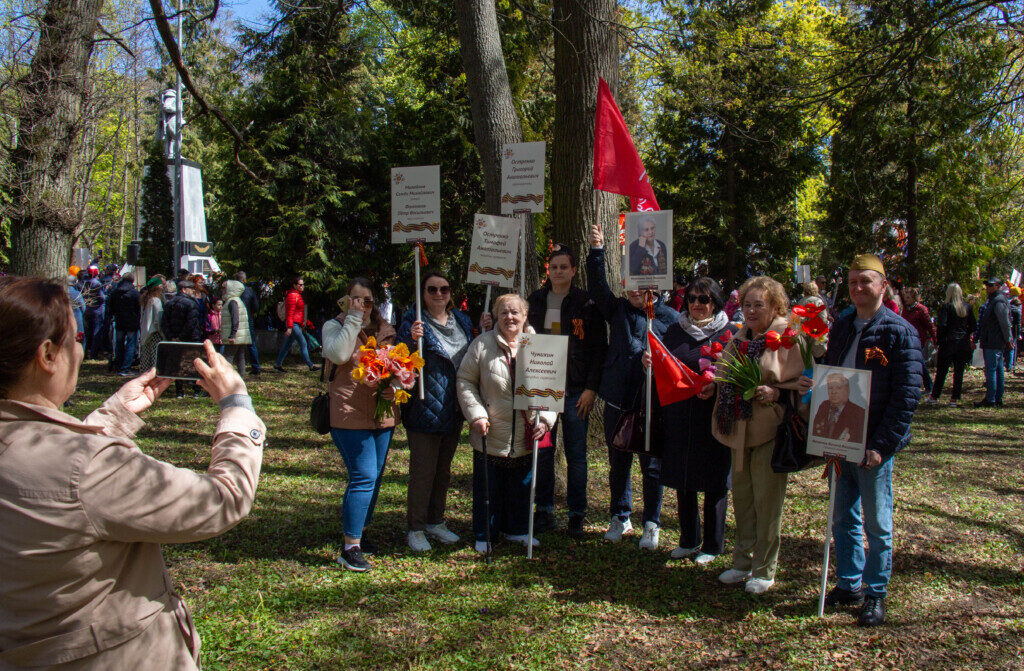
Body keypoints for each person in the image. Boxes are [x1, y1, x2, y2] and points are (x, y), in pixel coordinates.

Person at [0, 276, 264, 669]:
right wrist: (237, 405)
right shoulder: (90, 469)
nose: (81, 349)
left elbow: (53, 478)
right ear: (48, 355)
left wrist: (114, 417)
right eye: (76, 338)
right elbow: (222, 499)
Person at [809, 253, 922, 627]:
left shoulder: (900, 332)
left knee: (877, 524)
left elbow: (906, 397)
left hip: (873, 446)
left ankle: (875, 593)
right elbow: (831, 376)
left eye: (866, 281)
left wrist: (881, 446)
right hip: (840, 440)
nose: (858, 287)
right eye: (853, 281)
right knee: (843, 517)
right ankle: (849, 584)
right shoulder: (842, 325)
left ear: (883, 286)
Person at [710, 276, 804, 594]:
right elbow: (724, 374)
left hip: (770, 431)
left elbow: (805, 383)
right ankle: (742, 562)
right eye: (747, 304)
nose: (750, 310)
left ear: (775, 307)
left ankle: (764, 569)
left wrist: (776, 392)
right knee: (743, 497)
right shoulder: (739, 337)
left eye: (758, 305)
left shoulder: (787, 338)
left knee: (767, 501)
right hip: (738, 429)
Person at [588, 221, 678, 550]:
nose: (635, 291)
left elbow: (680, 361)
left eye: (641, 286)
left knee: (651, 465)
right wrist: (597, 251)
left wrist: (660, 362)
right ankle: (620, 516)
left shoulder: (669, 318)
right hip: (618, 400)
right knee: (619, 463)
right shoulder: (618, 311)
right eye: (630, 285)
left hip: (653, 403)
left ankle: (651, 523)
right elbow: (598, 288)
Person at [645, 277, 737, 565]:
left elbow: (737, 374)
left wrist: (717, 386)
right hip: (680, 416)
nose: (697, 304)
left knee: (714, 481)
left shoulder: (730, 334)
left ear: (716, 303)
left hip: (713, 417)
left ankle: (713, 544)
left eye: (704, 299)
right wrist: (651, 362)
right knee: (683, 476)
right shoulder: (674, 330)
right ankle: (689, 539)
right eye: (692, 298)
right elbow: (665, 364)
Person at [457, 293, 556, 553]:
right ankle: (485, 533)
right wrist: (476, 414)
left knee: (521, 486)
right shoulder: (481, 345)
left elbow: (552, 388)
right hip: (491, 430)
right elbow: (465, 381)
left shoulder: (540, 346)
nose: (509, 317)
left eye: (515, 312)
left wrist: (546, 420)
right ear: (496, 316)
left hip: (526, 432)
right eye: (504, 312)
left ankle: (518, 530)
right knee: (487, 488)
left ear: (525, 315)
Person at [524, 244, 606, 537]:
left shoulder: (586, 303)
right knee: (543, 451)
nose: (558, 272)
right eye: (553, 267)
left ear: (573, 271)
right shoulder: (535, 300)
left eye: (563, 267)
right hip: (543, 387)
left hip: (575, 390)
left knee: (576, 454)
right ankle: (544, 510)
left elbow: (598, 349)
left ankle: (576, 514)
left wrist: (591, 389)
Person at [322, 278, 399, 572]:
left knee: (375, 476)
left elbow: (395, 367)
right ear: (346, 300)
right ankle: (350, 548)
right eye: (355, 299)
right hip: (348, 411)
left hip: (382, 413)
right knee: (363, 476)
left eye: (366, 300)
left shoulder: (385, 330)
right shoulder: (334, 326)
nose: (361, 305)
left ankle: (361, 532)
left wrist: (396, 384)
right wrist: (353, 320)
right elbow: (340, 355)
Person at [397, 271, 473, 552]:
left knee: (443, 471)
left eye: (444, 289)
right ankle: (416, 528)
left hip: (453, 407)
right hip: (424, 407)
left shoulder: (462, 321)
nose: (439, 294)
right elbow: (399, 358)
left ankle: (435, 521)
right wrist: (409, 338)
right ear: (423, 293)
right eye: (432, 289)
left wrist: (484, 329)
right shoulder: (414, 322)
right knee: (423, 472)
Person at [928, 283, 976, 407]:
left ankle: (934, 396)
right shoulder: (967, 307)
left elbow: (942, 325)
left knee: (942, 371)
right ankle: (954, 399)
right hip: (962, 343)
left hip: (948, 343)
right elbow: (973, 325)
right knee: (959, 372)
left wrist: (939, 341)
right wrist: (966, 334)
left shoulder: (946, 307)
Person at [162, 280, 206, 398]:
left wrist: (172, 337)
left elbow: (164, 323)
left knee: (178, 364)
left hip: (175, 338)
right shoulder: (191, 303)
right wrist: (180, 336)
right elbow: (192, 323)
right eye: (191, 288)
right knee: (195, 363)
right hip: (191, 337)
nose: (193, 291)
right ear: (184, 289)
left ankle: (179, 391)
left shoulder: (169, 303)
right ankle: (196, 390)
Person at [975, 277, 1012, 407]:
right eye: (987, 285)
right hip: (993, 340)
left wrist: (1008, 339)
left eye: (991, 285)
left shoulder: (998, 301)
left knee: (991, 370)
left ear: (998, 286)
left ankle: (991, 399)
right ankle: (996, 398)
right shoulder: (994, 300)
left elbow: (1005, 322)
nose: (988, 288)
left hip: (994, 341)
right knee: (997, 369)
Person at [274, 276, 317, 372]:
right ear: (294, 285)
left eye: (303, 284)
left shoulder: (296, 295)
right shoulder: (293, 296)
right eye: (300, 285)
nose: (302, 286)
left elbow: (298, 312)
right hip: (293, 324)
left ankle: (278, 365)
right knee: (303, 343)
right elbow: (290, 313)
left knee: (287, 345)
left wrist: (302, 323)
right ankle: (311, 365)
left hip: (295, 324)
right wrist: (289, 327)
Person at [900, 287, 936, 396]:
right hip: (907, 340)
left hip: (919, 340)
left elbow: (930, 326)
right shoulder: (905, 309)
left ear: (914, 298)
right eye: (905, 297)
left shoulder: (921, 310)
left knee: (920, 363)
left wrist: (935, 339)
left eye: (908, 298)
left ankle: (929, 386)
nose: (906, 300)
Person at [811, 372, 867, 443]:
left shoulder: (859, 413)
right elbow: (814, 433)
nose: (833, 392)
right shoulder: (824, 405)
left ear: (847, 390)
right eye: (830, 388)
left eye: (838, 388)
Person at [107, 274, 141, 376]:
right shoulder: (135, 293)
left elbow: (111, 307)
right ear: (132, 281)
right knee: (131, 344)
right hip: (132, 322)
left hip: (119, 321)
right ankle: (126, 367)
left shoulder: (115, 292)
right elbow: (138, 308)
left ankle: (118, 365)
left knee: (119, 344)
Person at [221, 279, 252, 379]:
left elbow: (235, 319)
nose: (222, 290)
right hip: (240, 335)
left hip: (235, 336)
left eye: (224, 288)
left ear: (230, 289)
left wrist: (232, 335)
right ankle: (241, 379)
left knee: (227, 357)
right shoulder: (237, 300)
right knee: (240, 357)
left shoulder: (232, 302)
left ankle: (226, 380)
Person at [236, 272, 262, 376]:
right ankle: (255, 366)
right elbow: (256, 307)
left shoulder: (233, 291)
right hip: (248, 318)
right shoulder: (249, 291)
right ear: (244, 280)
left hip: (235, 319)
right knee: (251, 344)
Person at [139, 277, 166, 372]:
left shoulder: (145, 300)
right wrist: (163, 334)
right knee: (156, 360)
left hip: (145, 333)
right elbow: (158, 319)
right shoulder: (156, 301)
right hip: (155, 333)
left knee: (146, 359)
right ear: (157, 287)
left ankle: (145, 377)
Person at [81, 266, 105, 359]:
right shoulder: (97, 284)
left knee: (87, 332)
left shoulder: (85, 283)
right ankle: (93, 354)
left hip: (87, 310)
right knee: (96, 332)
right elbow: (102, 297)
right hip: (96, 310)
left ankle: (85, 352)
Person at [1006, 289, 1021, 372]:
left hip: (1006, 329)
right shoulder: (1018, 311)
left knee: (1005, 347)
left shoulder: (1008, 308)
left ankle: (1006, 363)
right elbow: (1018, 324)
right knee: (1012, 347)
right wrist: (1019, 334)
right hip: (1014, 331)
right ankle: (1010, 365)